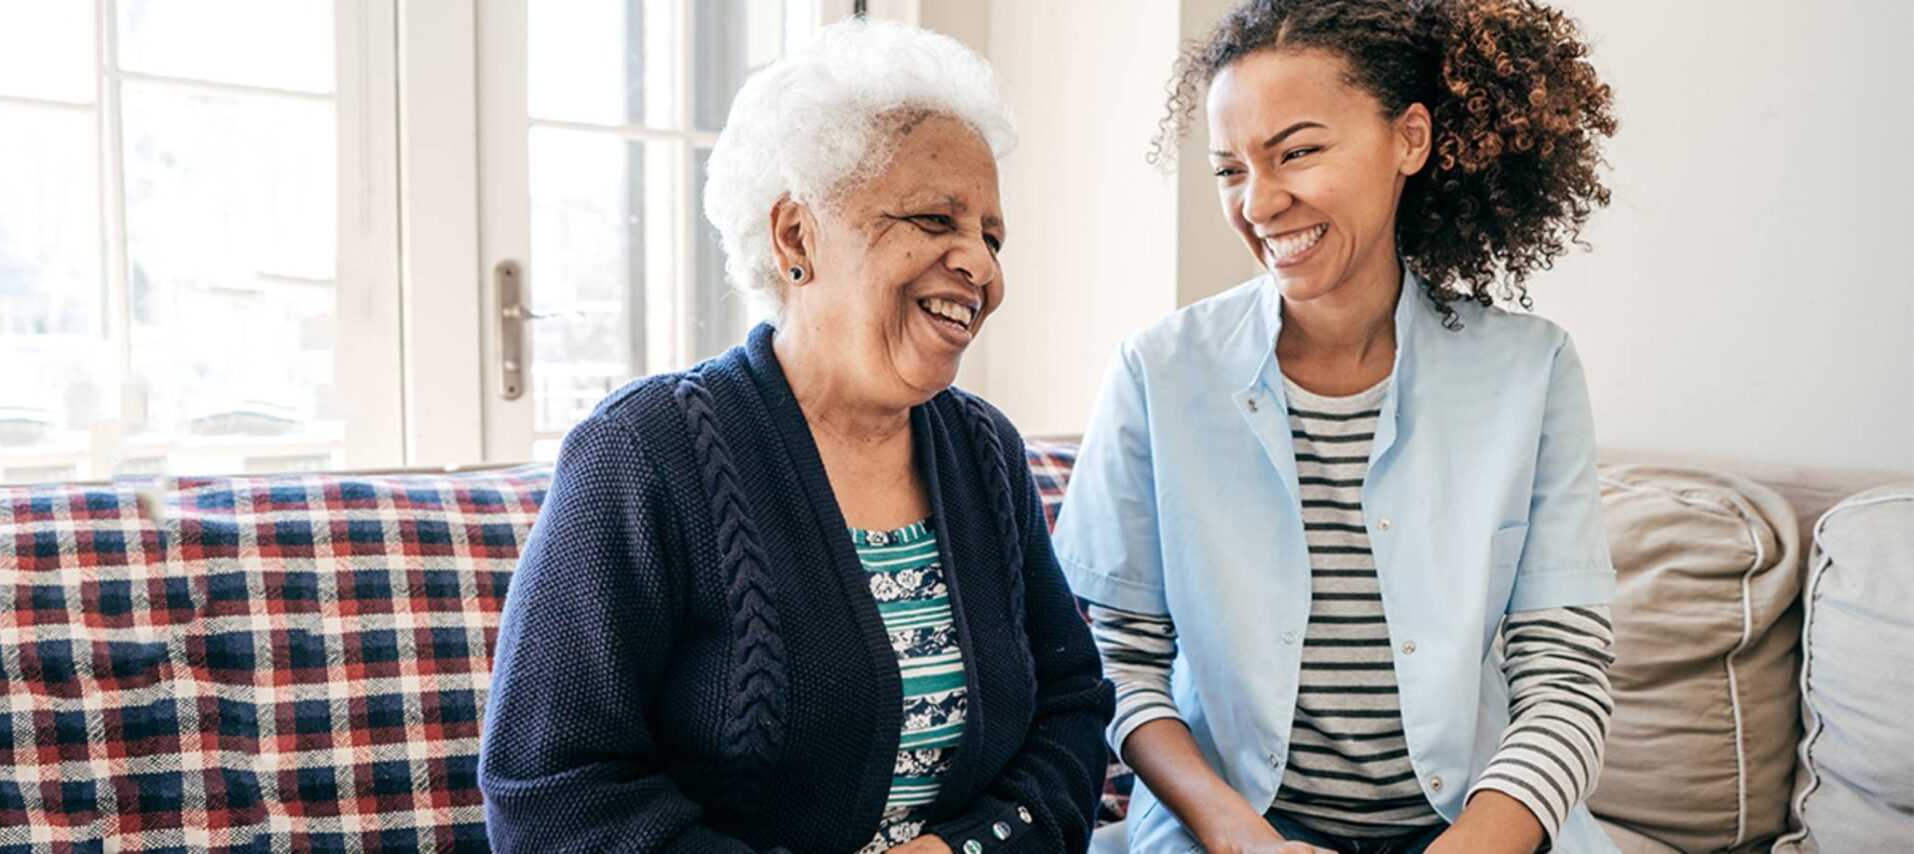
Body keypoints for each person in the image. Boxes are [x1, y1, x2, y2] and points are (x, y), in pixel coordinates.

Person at [480, 18, 1113, 854]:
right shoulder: (643, 452)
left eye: (991, 237)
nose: (983, 267)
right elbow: (552, 787)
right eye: (934, 220)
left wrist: (967, 848)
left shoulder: (985, 451)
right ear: (795, 237)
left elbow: (1069, 706)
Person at [1054, 0, 1621, 851]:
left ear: (1411, 140)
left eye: (1299, 152)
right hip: (1230, 834)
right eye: (1229, 170)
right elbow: (1115, 664)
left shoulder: (1531, 372)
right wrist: (1239, 836)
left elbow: (1565, 677)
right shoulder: (1157, 372)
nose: (1259, 202)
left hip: (1475, 830)